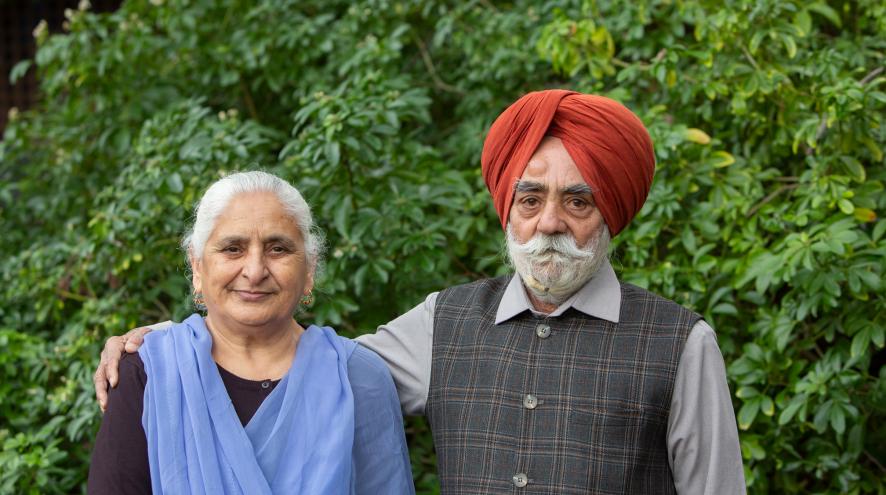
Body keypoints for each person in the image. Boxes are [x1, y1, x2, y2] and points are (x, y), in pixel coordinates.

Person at [94, 90, 745, 493]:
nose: (550, 222)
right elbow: (300, 361)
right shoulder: (444, 323)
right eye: (531, 196)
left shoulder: (679, 344)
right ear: (505, 207)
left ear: (612, 210)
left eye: (578, 199)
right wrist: (170, 347)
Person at [87, 171, 414, 494]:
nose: (255, 271)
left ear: (310, 270)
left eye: (278, 249)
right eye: (233, 248)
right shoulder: (145, 375)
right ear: (198, 267)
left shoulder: (359, 379)